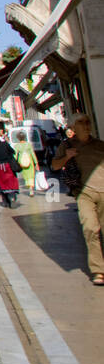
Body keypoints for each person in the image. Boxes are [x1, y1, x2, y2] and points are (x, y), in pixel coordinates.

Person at [51, 113, 104, 285]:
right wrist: (67, 157)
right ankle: (98, 270)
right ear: (73, 128)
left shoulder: (99, 145)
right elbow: (55, 166)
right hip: (84, 193)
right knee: (90, 228)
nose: (86, 125)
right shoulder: (66, 146)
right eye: (81, 123)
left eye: (88, 122)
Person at [0, 134, 21, 207]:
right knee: (11, 180)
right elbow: (13, 151)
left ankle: (5, 201)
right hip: (8, 164)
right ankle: (12, 197)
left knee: (2, 183)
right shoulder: (5, 144)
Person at [11, 131, 38, 198]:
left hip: (22, 163)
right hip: (30, 161)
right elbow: (33, 154)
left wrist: (14, 163)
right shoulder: (29, 145)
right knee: (31, 175)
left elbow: (15, 156)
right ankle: (31, 189)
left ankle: (29, 186)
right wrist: (36, 163)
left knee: (26, 176)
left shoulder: (16, 146)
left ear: (18, 138)